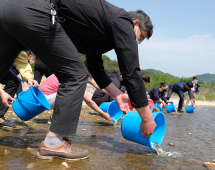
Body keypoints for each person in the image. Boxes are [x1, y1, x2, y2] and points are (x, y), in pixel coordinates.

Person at [0, 0, 156, 160]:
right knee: (76, 74)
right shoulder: (122, 19)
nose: (134, 42)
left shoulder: (99, 29)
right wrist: (146, 118)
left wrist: (117, 94)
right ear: (135, 23)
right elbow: (130, 69)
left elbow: (95, 68)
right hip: (36, 9)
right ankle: (53, 142)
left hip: (7, 8)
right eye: (139, 37)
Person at [39, 74, 111, 124]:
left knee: (73, 93)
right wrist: (103, 114)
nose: (93, 77)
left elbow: (97, 85)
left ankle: (56, 117)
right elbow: (89, 101)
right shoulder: (76, 79)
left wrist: (116, 95)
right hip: (44, 101)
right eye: (93, 74)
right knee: (76, 94)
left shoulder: (75, 71)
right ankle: (55, 118)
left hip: (42, 97)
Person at [0, 51, 38, 127]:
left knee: (14, 81)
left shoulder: (17, 43)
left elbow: (22, 62)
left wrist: (29, 78)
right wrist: (1, 91)